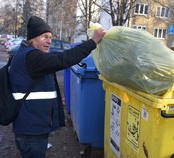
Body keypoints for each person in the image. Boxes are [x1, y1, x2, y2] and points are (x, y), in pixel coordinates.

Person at [9, 16, 106, 158]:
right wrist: (93, 41)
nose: (49, 41)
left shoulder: (25, 53)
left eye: (50, 37)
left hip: (30, 126)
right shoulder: (32, 56)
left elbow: (33, 85)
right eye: (44, 37)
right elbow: (62, 60)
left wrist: (53, 100)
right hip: (32, 131)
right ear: (33, 38)